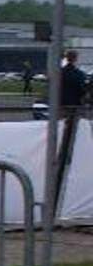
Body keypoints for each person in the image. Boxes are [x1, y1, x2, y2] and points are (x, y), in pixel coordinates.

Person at [58, 49, 86, 193]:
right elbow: (82, 90)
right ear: (75, 59)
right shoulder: (79, 74)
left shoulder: (60, 73)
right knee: (72, 130)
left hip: (60, 105)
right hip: (74, 105)